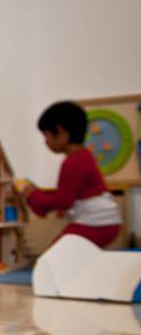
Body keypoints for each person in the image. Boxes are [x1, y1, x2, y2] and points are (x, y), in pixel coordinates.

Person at [17, 101, 121, 248]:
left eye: (46, 136)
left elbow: (63, 201)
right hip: (104, 222)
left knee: (54, 257)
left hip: (95, 223)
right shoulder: (83, 156)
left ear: (61, 133)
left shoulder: (73, 162)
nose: (45, 142)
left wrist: (33, 195)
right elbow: (67, 196)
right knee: (64, 255)